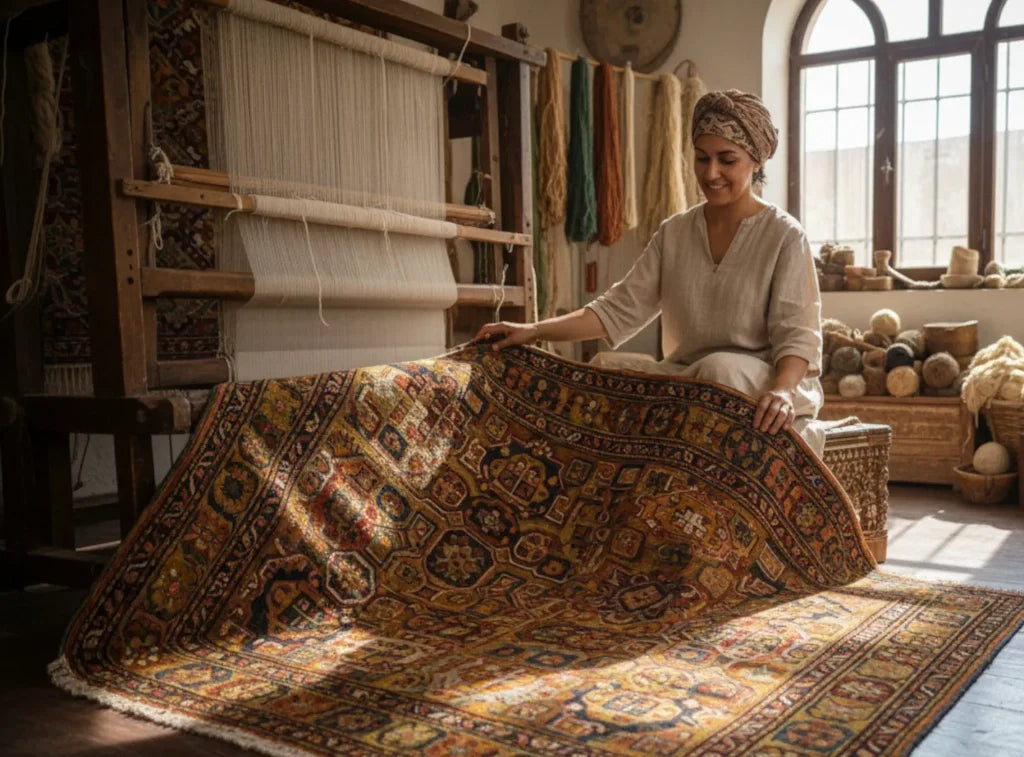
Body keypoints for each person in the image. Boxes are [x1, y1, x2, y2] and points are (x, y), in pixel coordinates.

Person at [474, 89, 824, 453]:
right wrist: (531, 330)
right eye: (702, 158)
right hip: (687, 380)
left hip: (758, 379)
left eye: (727, 159)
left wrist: (782, 390)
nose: (711, 172)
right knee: (605, 367)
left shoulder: (784, 235)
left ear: (756, 160)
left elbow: (798, 335)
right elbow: (617, 309)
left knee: (720, 369)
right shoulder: (674, 231)